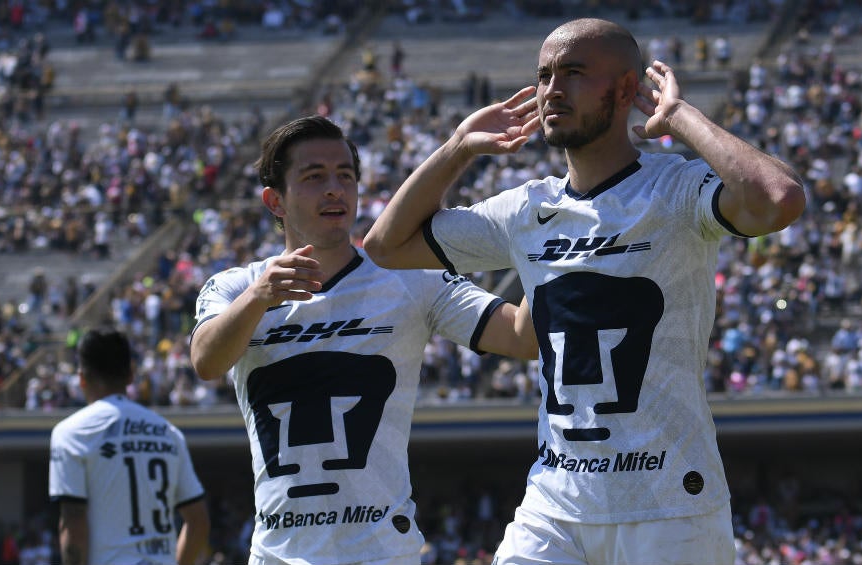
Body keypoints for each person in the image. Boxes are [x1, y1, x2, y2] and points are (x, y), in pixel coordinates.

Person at [363, 17, 805, 565]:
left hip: (669, 506)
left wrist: (679, 118)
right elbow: (386, 246)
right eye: (545, 75)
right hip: (556, 503)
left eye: (573, 73)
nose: (552, 89)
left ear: (625, 90)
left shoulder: (674, 189)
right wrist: (458, 147)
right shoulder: (525, 209)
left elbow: (779, 199)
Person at [189, 115, 537, 564]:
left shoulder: (412, 280)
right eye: (314, 177)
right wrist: (259, 298)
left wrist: (544, 246)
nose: (335, 189)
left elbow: (521, 338)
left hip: (383, 554)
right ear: (275, 201)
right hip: (277, 555)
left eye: (345, 176)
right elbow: (206, 361)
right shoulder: (235, 288)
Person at [48, 326, 210, 565]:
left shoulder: (72, 433)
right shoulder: (168, 433)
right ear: (131, 375)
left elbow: (73, 523)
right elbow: (198, 522)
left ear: (82, 378)